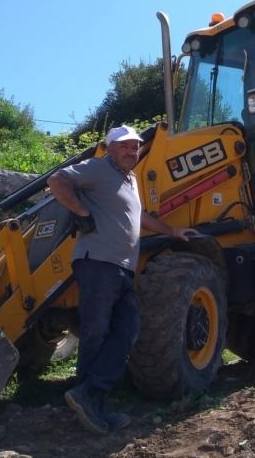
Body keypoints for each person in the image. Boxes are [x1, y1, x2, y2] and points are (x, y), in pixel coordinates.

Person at [45, 124, 198, 434]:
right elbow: (57, 180)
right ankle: (91, 401)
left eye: (136, 146)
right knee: (96, 331)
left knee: (128, 329)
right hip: (98, 263)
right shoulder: (99, 168)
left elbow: (138, 217)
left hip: (123, 267)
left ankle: (90, 394)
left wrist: (171, 231)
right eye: (126, 146)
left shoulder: (131, 180)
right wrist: (82, 212)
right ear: (111, 147)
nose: (133, 151)